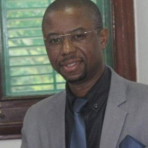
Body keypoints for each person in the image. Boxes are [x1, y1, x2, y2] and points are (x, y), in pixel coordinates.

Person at [21, 0, 148, 148]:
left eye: (78, 36)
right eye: (55, 40)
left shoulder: (144, 104)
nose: (66, 49)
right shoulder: (36, 118)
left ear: (102, 38)